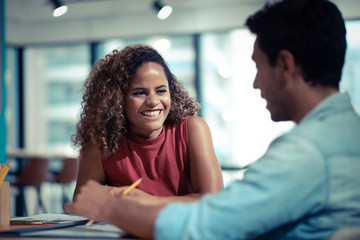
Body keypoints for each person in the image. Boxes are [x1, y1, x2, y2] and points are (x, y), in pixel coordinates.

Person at [65, 0, 360, 239]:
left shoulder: (306, 152)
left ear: (284, 65)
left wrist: (116, 207)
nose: (256, 83)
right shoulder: (347, 133)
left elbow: (211, 224)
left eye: (258, 67)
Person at [72, 44, 223, 203]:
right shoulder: (102, 142)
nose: (153, 101)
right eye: (140, 93)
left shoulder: (193, 129)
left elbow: (212, 201)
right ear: (117, 100)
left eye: (161, 91)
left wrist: (139, 200)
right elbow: (81, 202)